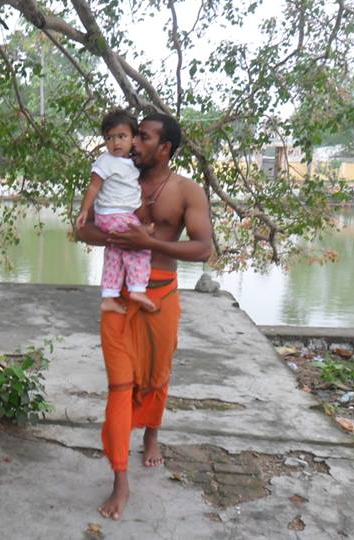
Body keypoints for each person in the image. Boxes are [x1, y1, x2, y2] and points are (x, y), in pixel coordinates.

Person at [76, 112, 213, 521]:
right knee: (120, 386)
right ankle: (120, 479)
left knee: (155, 377)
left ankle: (151, 436)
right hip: (118, 299)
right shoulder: (116, 177)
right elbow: (82, 229)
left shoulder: (188, 191)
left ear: (165, 148)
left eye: (144, 138)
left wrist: (150, 241)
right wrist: (124, 236)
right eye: (132, 136)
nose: (133, 143)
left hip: (160, 297)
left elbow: (204, 248)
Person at [76, 110, 156, 314]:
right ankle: (138, 288)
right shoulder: (105, 161)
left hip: (116, 214)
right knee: (139, 245)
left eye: (122, 137)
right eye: (109, 138)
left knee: (114, 253)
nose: (115, 143)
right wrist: (85, 210)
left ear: (133, 138)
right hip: (113, 215)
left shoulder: (130, 164)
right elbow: (93, 187)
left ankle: (109, 296)